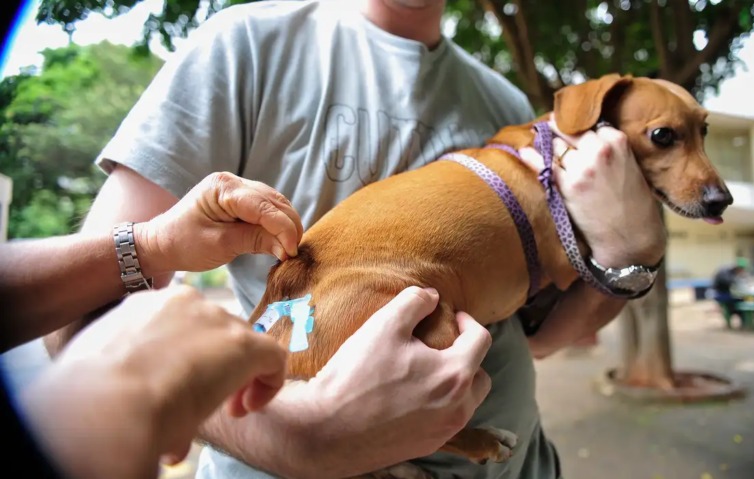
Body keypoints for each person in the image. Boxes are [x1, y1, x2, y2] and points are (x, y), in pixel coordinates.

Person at [45, 0, 666, 477]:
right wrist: (295, 436)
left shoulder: (504, 104)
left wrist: (634, 256)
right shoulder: (245, 46)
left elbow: (546, 338)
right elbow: (80, 316)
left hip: (517, 462)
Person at [0, 175, 461, 479]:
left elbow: (536, 340)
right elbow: (74, 328)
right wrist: (299, 439)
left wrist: (153, 243)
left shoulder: (503, 103)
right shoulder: (230, 52)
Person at [710, 258, 749, 324]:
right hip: (720, 293)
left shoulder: (732, 272)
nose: (742, 271)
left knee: (741, 299)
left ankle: (740, 316)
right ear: (738, 268)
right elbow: (729, 282)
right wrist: (739, 279)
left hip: (725, 292)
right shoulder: (725, 271)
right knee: (739, 300)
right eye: (741, 269)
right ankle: (737, 316)